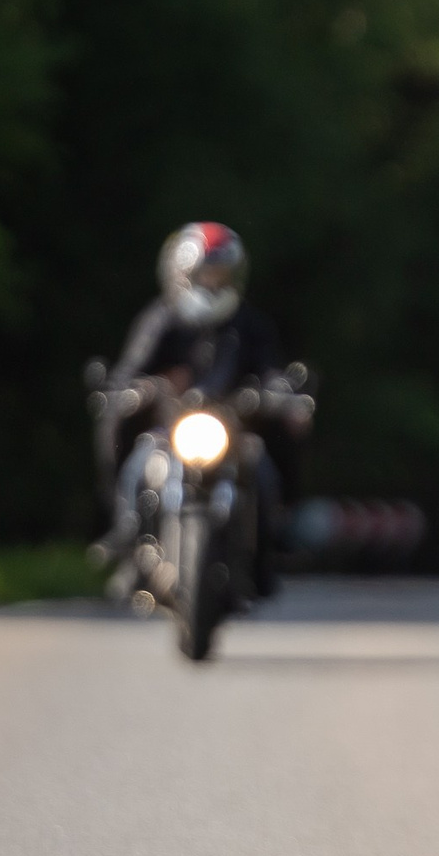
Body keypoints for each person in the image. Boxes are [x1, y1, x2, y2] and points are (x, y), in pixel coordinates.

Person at [91, 223, 299, 594]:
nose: (213, 280)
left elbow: (272, 371)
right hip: (167, 430)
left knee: (264, 464)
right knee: (132, 456)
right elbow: (128, 372)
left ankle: (270, 550)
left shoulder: (249, 323)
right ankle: (126, 537)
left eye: (221, 272)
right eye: (206, 271)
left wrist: (278, 393)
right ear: (183, 273)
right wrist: (136, 390)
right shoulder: (162, 319)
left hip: (231, 431)